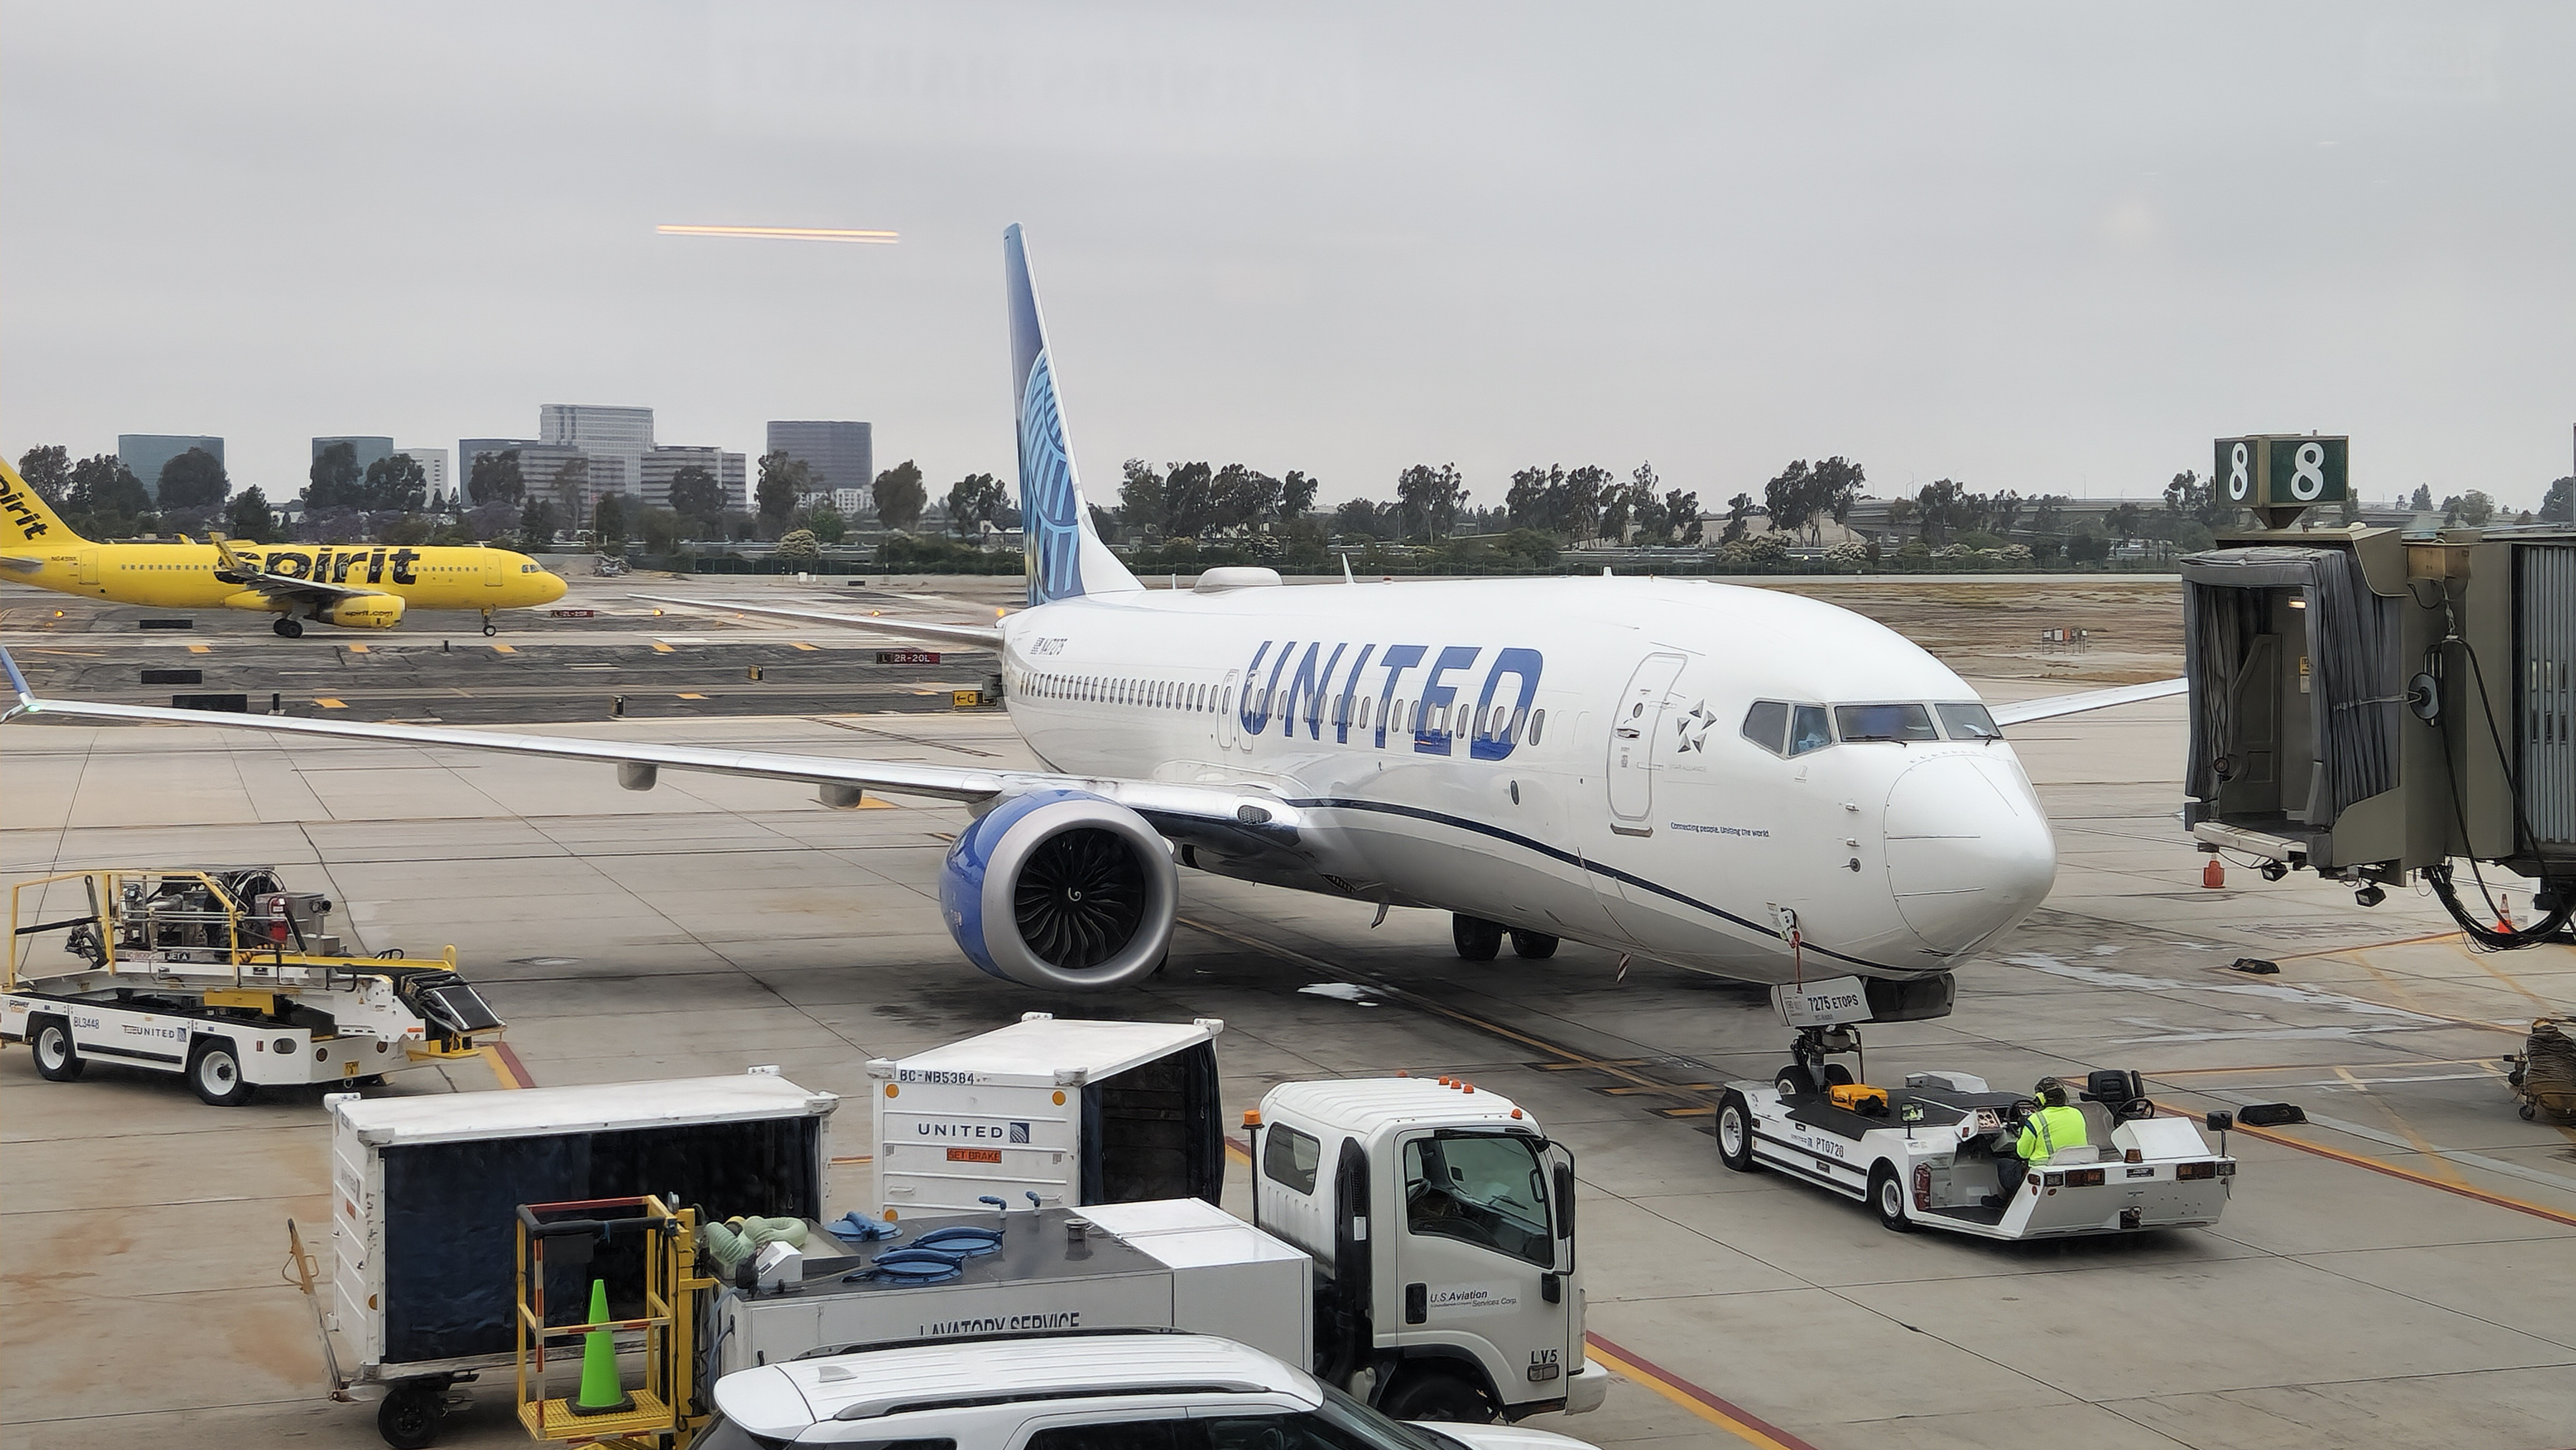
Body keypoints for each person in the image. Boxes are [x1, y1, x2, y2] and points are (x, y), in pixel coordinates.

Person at [1993, 1078, 2090, 1201]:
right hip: (2077, 1166)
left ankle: (2002, 1202)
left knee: (2004, 1163)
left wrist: (2024, 1128)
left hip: (2043, 1170)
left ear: (2041, 1098)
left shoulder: (2036, 1120)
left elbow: (2023, 1153)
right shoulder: (2077, 1113)